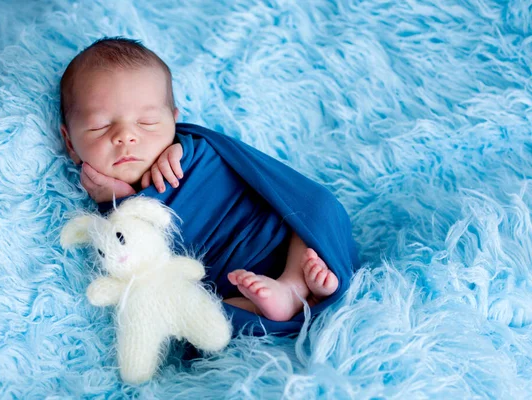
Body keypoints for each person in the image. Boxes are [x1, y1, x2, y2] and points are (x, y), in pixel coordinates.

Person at [59, 37, 359, 334]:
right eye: (100, 126)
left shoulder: (193, 149)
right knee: (198, 316)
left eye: (148, 122)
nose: (126, 137)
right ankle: (286, 303)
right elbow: (139, 263)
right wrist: (119, 205)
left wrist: (183, 149)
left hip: (272, 235)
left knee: (316, 207)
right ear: (70, 143)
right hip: (228, 279)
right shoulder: (101, 205)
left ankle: (294, 284)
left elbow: (245, 170)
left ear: (173, 122)